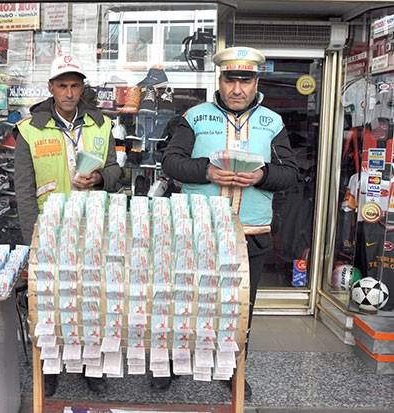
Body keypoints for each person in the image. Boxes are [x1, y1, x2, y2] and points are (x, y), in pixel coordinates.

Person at [161, 46, 299, 398]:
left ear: (256, 83)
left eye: (245, 81)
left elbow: (289, 173)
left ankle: (231, 369)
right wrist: (207, 171)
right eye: (230, 80)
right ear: (219, 81)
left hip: (250, 233)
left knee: (240, 308)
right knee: (187, 300)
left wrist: (262, 176)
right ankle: (172, 365)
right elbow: (171, 162)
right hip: (198, 230)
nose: (237, 89)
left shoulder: (272, 122)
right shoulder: (194, 117)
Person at [14, 54, 121, 396]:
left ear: (82, 88)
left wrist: (100, 178)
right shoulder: (29, 130)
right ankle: (50, 366)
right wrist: (33, 239)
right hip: (50, 231)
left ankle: (91, 365)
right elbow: (24, 190)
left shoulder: (101, 124)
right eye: (62, 86)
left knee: (91, 298)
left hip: (92, 227)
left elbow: (116, 170)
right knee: (50, 302)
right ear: (51, 88)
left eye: (75, 86)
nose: (69, 93)